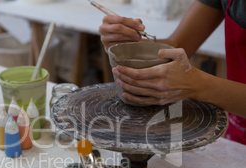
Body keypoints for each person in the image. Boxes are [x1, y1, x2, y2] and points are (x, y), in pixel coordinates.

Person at [99, 0, 246, 145]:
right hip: (238, 131)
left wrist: (197, 84)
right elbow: (178, 45)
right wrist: (127, 47)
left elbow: (192, 78)